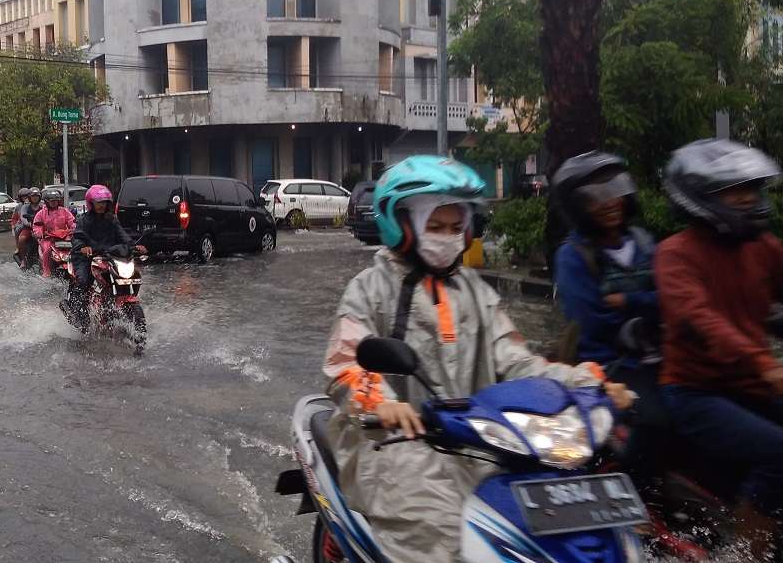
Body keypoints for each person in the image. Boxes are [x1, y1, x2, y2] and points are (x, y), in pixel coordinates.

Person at [322, 155, 632, 561]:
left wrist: (586, 385)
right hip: (394, 444)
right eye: (435, 227)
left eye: (456, 227)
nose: (448, 237)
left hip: (480, 439)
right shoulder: (370, 288)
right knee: (441, 536)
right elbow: (346, 362)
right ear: (402, 225)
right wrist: (384, 402)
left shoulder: (475, 290)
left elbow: (516, 360)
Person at [655, 139, 783, 557]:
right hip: (697, 392)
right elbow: (701, 318)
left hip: (753, 385)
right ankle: (749, 552)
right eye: (735, 190)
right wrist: (765, 363)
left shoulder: (763, 248)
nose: (748, 198)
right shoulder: (675, 255)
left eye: (752, 188)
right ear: (699, 197)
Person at [552, 152, 666, 494]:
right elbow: (593, 322)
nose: (609, 203)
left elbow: (674, 297)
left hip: (664, 353)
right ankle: (639, 494)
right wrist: (650, 312)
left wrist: (633, 302)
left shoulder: (645, 244)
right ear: (578, 207)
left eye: (614, 191)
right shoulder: (573, 256)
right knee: (655, 418)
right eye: (595, 198)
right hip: (613, 363)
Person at [68, 185, 145, 324]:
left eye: (105, 202)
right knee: (84, 280)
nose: (102, 205)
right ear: (91, 203)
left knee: (130, 276)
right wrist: (83, 247)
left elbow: (123, 236)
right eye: (99, 202)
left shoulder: (112, 219)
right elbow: (77, 236)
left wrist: (134, 247)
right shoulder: (83, 220)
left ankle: (116, 302)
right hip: (86, 257)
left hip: (108, 256)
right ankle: (79, 314)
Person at [34, 188, 77, 278]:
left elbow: (72, 222)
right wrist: (39, 232)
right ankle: (46, 270)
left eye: (56, 201)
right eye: (52, 201)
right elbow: (37, 225)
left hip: (64, 236)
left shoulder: (64, 211)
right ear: (46, 202)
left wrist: (75, 228)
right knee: (47, 250)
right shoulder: (41, 213)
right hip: (48, 238)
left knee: (76, 247)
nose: (54, 203)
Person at [12, 187, 43, 267]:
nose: (35, 198)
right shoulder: (25, 207)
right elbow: (22, 217)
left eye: (36, 196)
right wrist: (29, 224)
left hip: (41, 229)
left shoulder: (43, 206)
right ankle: (23, 260)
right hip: (28, 228)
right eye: (33, 196)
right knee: (21, 239)